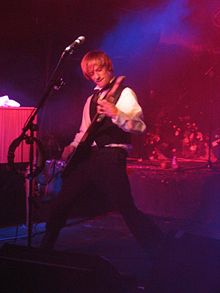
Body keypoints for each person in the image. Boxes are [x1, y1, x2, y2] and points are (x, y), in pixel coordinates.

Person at [41, 50, 163, 252]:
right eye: (91, 73)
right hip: (88, 157)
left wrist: (116, 113)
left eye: (99, 70)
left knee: (125, 206)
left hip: (111, 156)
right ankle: (44, 250)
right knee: (62, 201)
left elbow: (140, 126)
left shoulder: (124, 93)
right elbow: (84, 131)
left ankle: (158, 248)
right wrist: (72, 146)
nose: (96, 76)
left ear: (108, 67)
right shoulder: (91, 99)